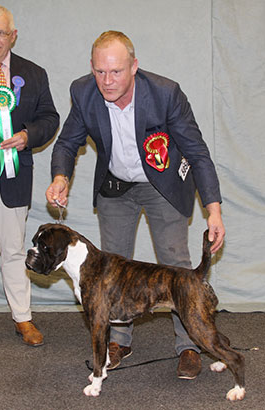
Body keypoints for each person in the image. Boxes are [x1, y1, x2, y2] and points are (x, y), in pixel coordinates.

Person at [46, 31, 225, 379]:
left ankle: (188, 345)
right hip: (116, 186)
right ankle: (119, 341)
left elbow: (197, 152)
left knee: (176, 265)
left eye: (115, 72)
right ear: (92, 69)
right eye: (100, 72)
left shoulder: (165, 93)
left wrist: (213, 209)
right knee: (109, 271)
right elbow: (67, 143)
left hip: (162, 185)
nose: (107, 81)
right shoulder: (83, 92)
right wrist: (60, 178)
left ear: (134, 67)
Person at [0, 5, 59, 349]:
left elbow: (50, 117)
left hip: (13, 176)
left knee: (15, 253)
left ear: (13, 35)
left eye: (1, 33)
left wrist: (27, 136)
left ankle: (23, 318)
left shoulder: (34, 74)